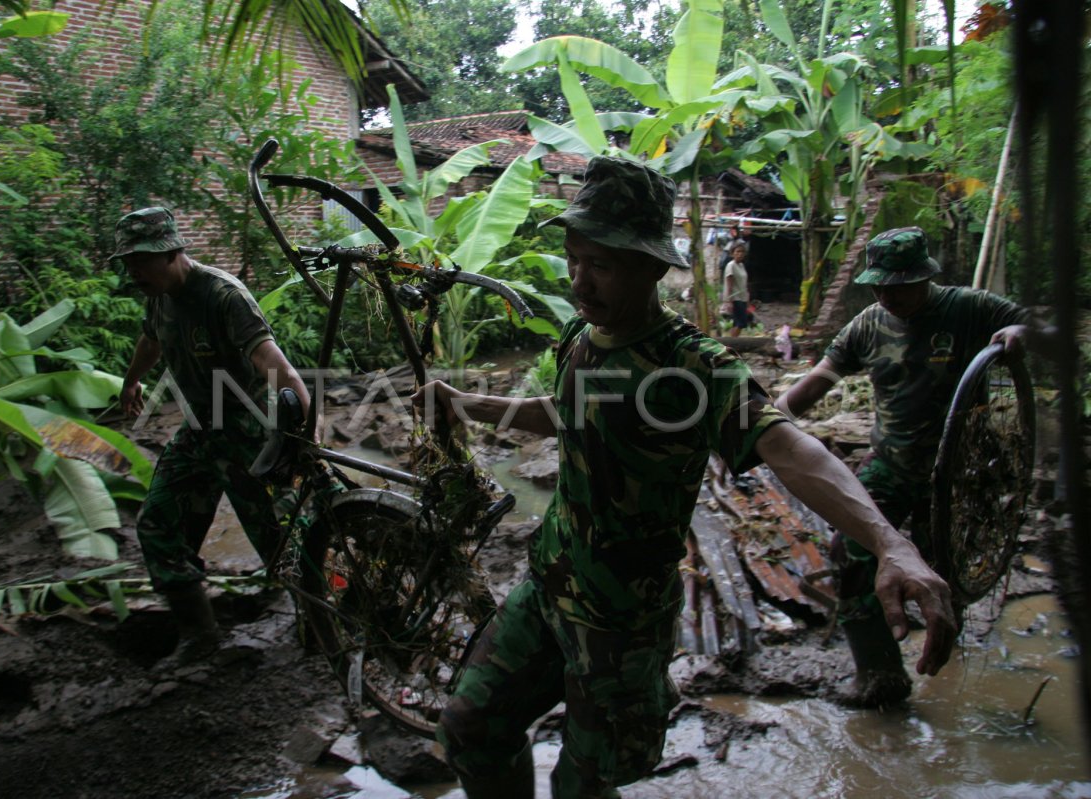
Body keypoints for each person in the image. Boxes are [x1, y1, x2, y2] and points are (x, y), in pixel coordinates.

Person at [412, 160, 956, 799]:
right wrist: (469, 402)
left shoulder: (693, 366)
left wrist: (890, 543)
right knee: (470, 730)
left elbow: (792, 450)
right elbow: (569, 415)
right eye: (574, 258)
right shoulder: (580, 337)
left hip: (622, 620)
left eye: (602, 265)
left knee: (584, 785)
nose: (580, 281)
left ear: (650, 266)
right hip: (547, 587)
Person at [775, 226, 1046, 707]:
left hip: (961, 474)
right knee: (852, 551)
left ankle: (947, 651)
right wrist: (767, 421)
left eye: (898, 286)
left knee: (946, 566)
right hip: (892, 465)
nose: (887, 295)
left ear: (924, 277)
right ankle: (879, 673)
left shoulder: (970, 308)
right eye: (878, 286)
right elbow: (819, 378)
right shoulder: (868, 324)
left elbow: (1043, 331)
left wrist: (1024, 332)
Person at [112, 207, 311, 666]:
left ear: (170, 252)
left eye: (139, 259)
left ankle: (323, 623)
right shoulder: (157, 294)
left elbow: (272, 363)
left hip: (249, 433)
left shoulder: (223, 295)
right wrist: (131, 380)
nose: (132, 270)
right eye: (126, 261)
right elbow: (151, 339)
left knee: (283, 544)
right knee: (159, 526)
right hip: (200, 428)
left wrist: (300, 432)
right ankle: (200, 634)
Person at [722, 241, 750, 335]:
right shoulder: (731, 265)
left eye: (742, 252)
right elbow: (729, 283)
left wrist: (747, 297)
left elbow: (743, 283)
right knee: (740, 322)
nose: (740, 254)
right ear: (732, 253)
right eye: (737, 251)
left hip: (742, 298)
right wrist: (729, 300)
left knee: (737, 323)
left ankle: (732, 343)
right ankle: (733, 344)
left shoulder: (741, 265)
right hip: (735, 298)